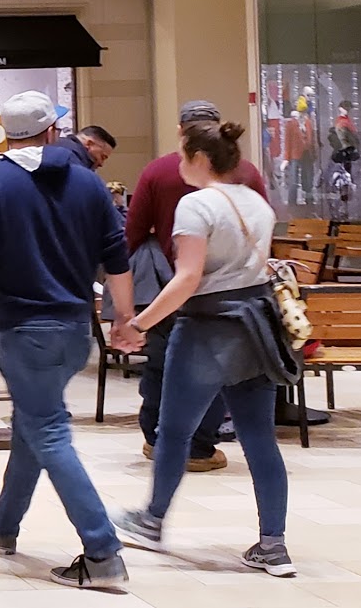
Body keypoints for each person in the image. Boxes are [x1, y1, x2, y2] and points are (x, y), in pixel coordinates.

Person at [0, 91, 135, 589]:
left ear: (7, 133)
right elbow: (116, 254)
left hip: (25, 332)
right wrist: (125, 318)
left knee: (47, 431)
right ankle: (4, 526)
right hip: (74, 331)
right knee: (32, 424)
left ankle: (102, 551)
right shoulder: (88, 183)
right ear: (52, 131)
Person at [112, 120, 298, 578]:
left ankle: (153, 521)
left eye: (182, 155)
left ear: (199, 158)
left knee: (174, 431)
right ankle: (273, 544)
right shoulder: (257, 204)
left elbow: (188, 277)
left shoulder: (196, 205)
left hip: (206, 327)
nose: (178, 162)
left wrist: (138, 324)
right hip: (257, 327)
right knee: (259, 438)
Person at [127, 100, 272, 471]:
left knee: (162, 365)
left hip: (170, 284)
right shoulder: (249, 176)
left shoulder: (158, 172)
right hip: (239, 298)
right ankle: (201, 446)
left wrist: (130, 310)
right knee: (221, 376)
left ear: (181, 132)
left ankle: (156, 440)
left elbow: (134, 231)